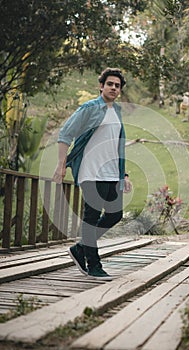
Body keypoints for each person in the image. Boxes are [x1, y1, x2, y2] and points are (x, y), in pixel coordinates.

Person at [53, 67, 132, 281]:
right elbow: (65, 133)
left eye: (117, 85)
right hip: (91, 171)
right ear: (101, 86)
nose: (114, 88)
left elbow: (116, 146)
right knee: (91, 217)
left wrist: (124, 174)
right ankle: (93, 265)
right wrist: (62, 164)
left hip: (111, 174)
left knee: (115, 215)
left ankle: (80, 249)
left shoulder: (116, 111)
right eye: (110, 84)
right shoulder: (90, 108)